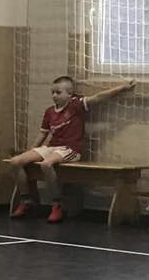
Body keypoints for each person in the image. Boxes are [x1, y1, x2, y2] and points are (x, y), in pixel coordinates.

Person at [9, 75, 136, 223]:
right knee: (16, 162)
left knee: (46, 164)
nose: (54, 96)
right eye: (52, 92)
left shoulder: (76, 105)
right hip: (52, 147)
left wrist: (122, 87)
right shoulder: (49, 112)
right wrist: (31, 151)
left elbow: (98, 97)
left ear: (69, 94)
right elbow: (43, 134)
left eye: (58, 92)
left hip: (70, 149)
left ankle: (57, 204)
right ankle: (26, 200)